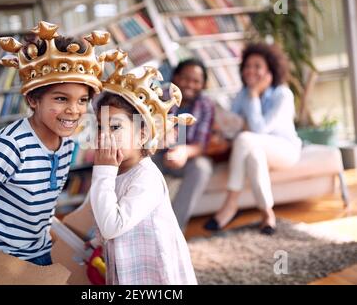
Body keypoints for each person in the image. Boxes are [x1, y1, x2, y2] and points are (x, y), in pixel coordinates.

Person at [0, 21, 110, 285]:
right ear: (33, 100)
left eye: (82, 100)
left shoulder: (68, 143)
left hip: (39, 256)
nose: (74, 110)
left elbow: (43, 208)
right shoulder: (8, 148)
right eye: (61, 99)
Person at [88, 53, 198, 284]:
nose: (104, 136)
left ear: (142, 135)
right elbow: (102, 209)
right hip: (125, 266)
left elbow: (112, 226)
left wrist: (103, 171)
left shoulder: (146, 178)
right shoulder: (114, 170)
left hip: (154, 275)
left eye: (115, 127)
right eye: (100, 127)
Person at [205, 42, 302, 235]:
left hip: (285, 151)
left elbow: (259, 129)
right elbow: (232, 127)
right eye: (247, 66)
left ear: (270, 71)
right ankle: (267, 214)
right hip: (257, 148)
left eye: (257, 66)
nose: (251, 71)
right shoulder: (241, 95)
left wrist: (254, 95)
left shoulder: (282, 94)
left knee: (246, 139)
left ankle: (231, 204)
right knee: (253, 155)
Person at [152, 59, 216, 230]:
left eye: (196, 81)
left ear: (203, 85)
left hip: (186, 158)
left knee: (202, 168)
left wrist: (183, 152)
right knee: (139, 161)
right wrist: (160, 139)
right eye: (185, 78)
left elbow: (201, 144)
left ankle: (174, 231)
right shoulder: (159, 96)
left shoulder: (206, 105)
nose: (190, 85)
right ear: (175, 77)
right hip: (156, 153)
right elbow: (142, 135)